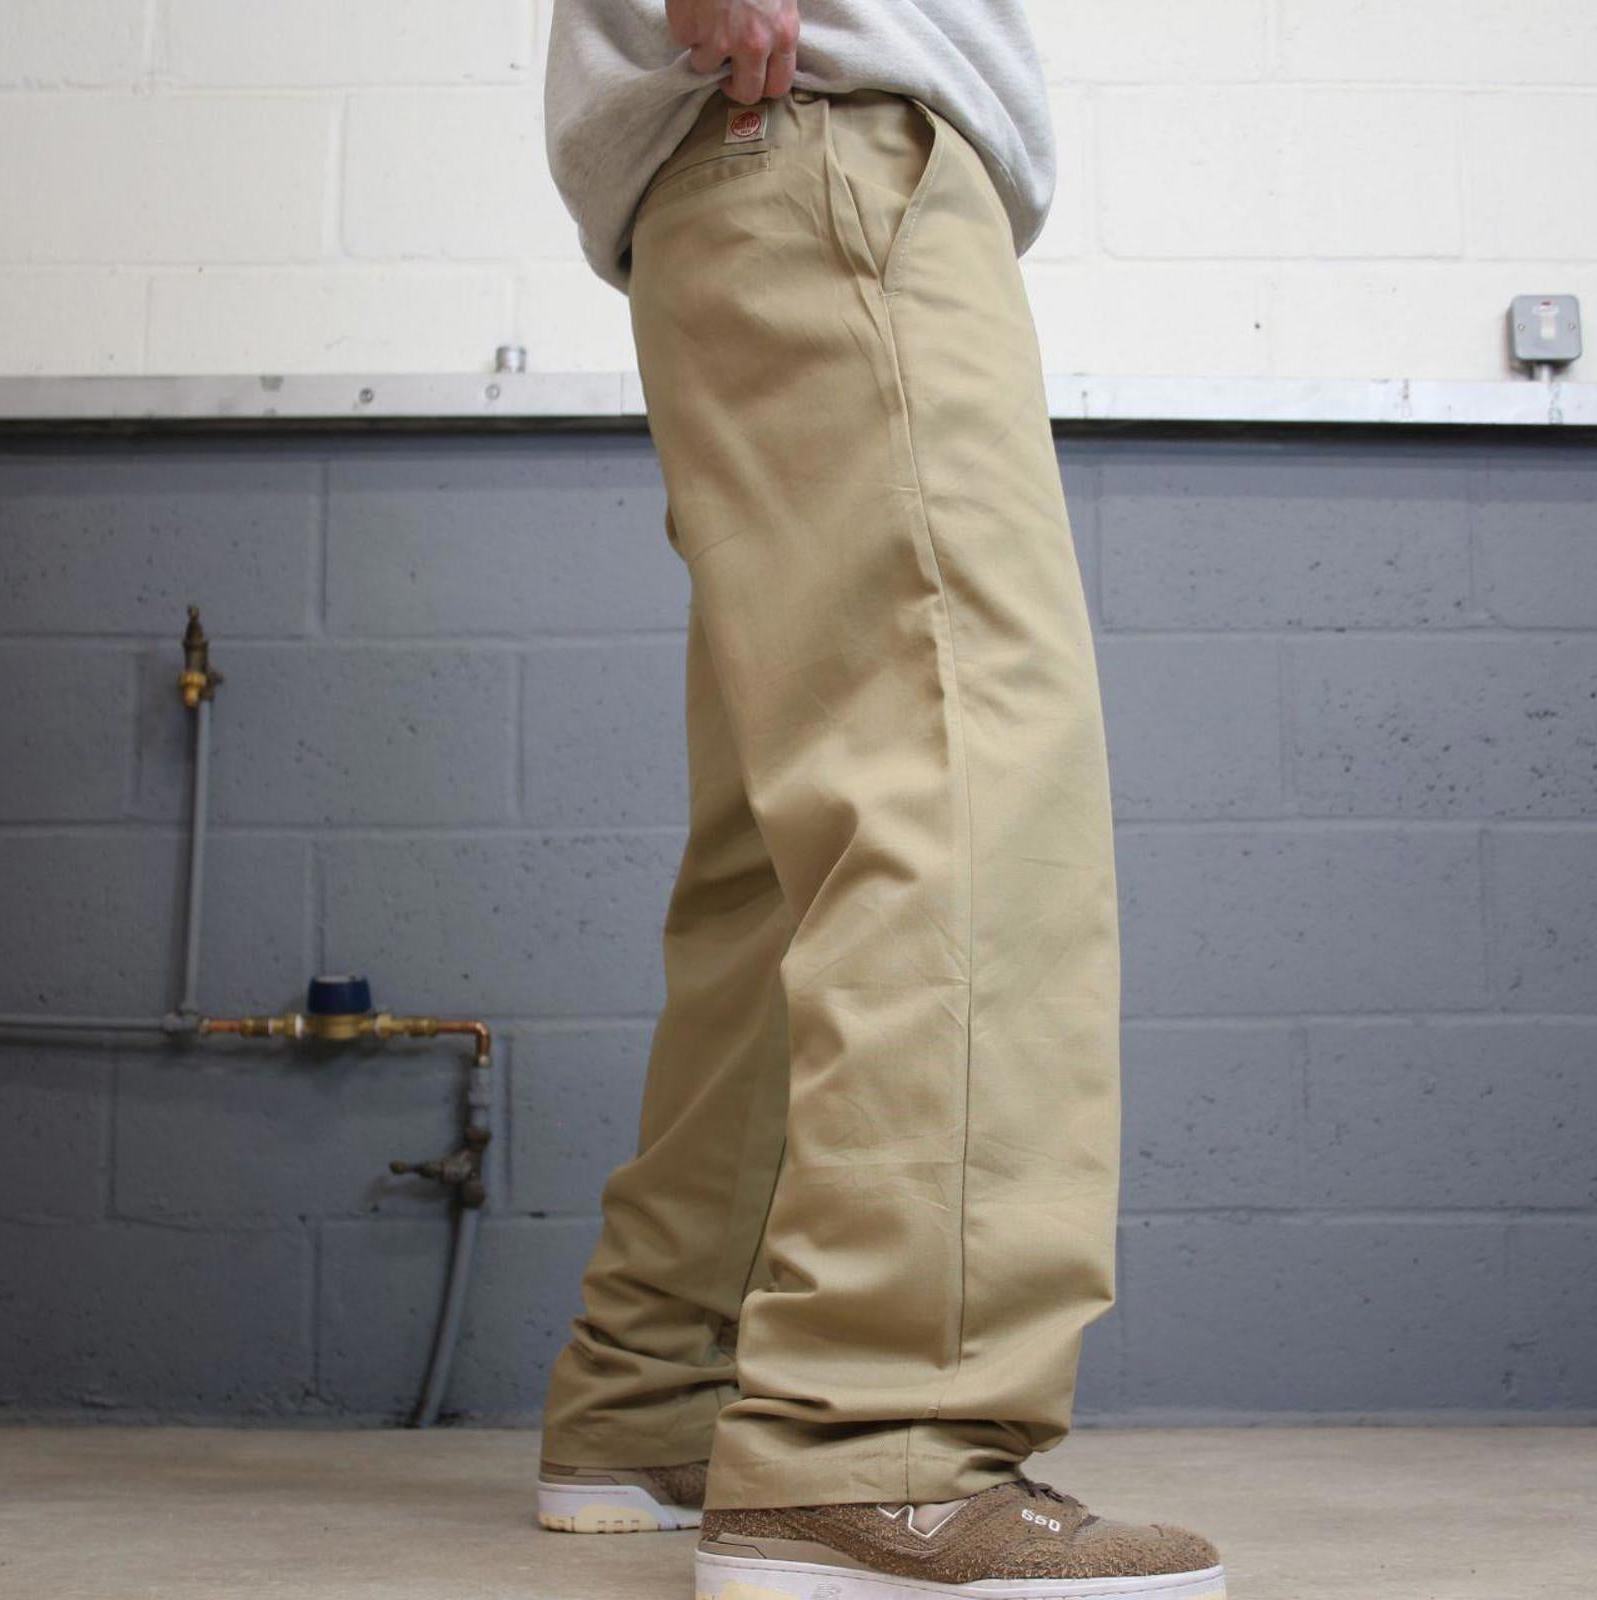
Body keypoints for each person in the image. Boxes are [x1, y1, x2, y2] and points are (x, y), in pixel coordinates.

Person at [534, 4, 1226, 1597]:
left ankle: (662, 1396)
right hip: (830, 139)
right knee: (961, 774)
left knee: (787, 858)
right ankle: (879, 1446)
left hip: (748, 177)